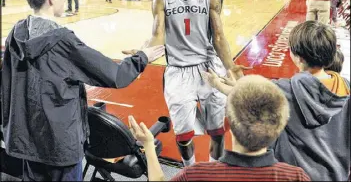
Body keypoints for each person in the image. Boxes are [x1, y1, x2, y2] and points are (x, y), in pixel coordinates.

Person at [0, 0, 165, 181]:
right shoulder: (62, 41)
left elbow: (6, 89)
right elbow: (115, 75)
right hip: (60, 147)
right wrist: (143, 56)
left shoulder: (15, 33)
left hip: (25, 143)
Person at [123, 0, 248, 167]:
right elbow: (157, 36)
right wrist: (141, 51)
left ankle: (212, 169)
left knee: (218, 133)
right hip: (178, 72)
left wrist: (232, 69)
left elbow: (219, 37)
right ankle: (189, 170)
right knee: (183, 137)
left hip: (208, 68)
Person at [204, 20, 350, 181]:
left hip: (293, 176)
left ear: (298, 58)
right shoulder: (347, 88)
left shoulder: (282, 89)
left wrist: (216, 83)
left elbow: (244, 97)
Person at [128, 75, 311, 181]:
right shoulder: (296, 176)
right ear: (280, 126)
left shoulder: (195, 175)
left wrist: (150, 147)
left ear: (227, 124)